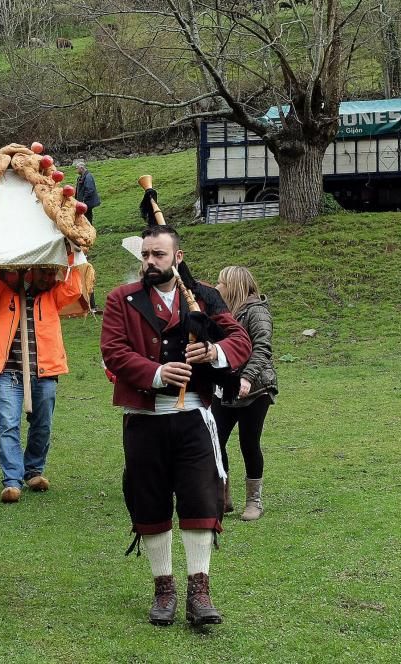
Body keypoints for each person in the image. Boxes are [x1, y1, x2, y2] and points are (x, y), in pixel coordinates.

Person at [100, 225, 251, 627]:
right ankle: (163, 590)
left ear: (177, 257)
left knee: (200, 499)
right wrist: (156, 373)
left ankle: (199, 592)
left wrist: (213, 351)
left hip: (194, 418)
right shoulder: (122, 299)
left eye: (159, 255)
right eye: (145, 255)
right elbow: (113, 351)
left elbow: (240, 339)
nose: (150, 262)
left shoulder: (202, 297)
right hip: (145, 420)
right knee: (149, 501)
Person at [0, 264, 83, 503]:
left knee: (42, 425)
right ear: (31, 271)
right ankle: (12, 481)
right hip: (8, 373)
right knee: (8, 425)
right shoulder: (3, 291)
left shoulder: (53, 295)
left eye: (52, 273)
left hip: (45, 373)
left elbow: (74, 288)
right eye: (44, 272)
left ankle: (34, 471)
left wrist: (73, 255)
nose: (48, 278)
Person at [211, 266, 278, 522]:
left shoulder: (257, 312)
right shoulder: (225, 311)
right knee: (214, 441)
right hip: (226, 387)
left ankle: (254, 502)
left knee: (249, 444)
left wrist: (247, 377)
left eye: (221, 282)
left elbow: (262, 347)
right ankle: (222, 496)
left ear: (234, 286)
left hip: (256, 388)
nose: (217, 287)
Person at [73, 159, 101, 312]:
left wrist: (83, 202)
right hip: (82, 204)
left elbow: (89, 191)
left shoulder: (88, 177)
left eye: (77, 168)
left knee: (88, 220)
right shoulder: (81, 177)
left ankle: (88, 232)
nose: (76, 170)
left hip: (87, 205)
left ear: (81, 167)